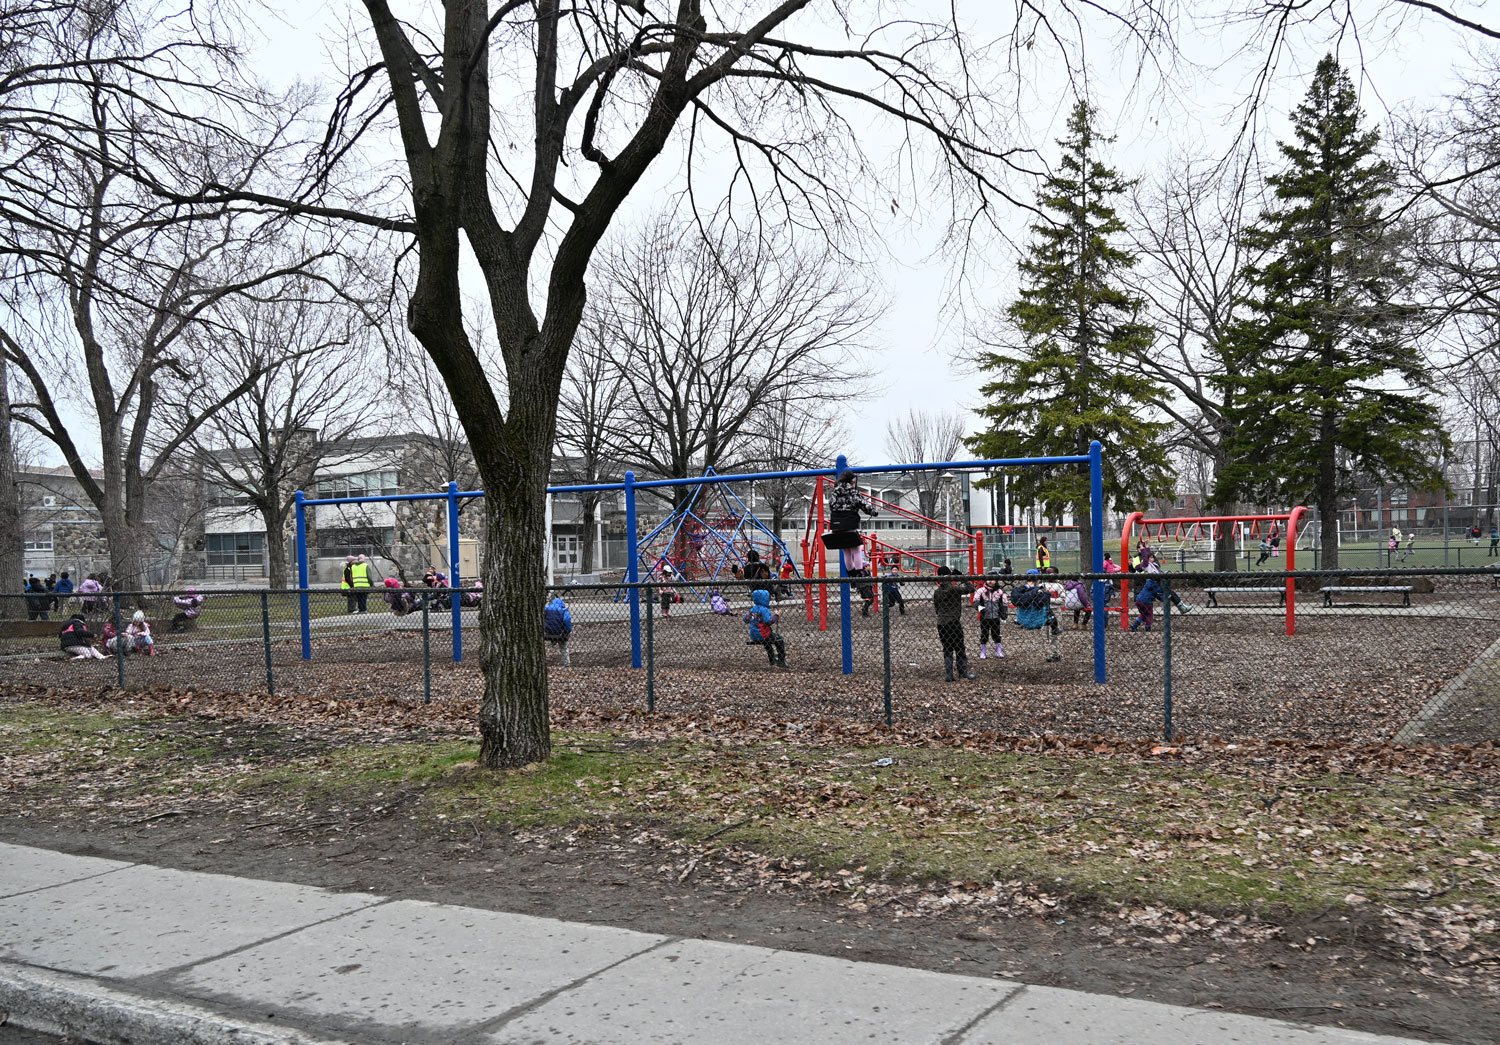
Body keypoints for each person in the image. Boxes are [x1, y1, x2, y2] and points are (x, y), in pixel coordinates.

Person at [823, 471, 877, 574]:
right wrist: (872, 512)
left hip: (836, 524)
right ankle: (859, 572)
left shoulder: (835, 491)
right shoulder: (852, 491)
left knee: (846, 550)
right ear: (851, 480)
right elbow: (861, 503)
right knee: (856, 549)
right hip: (849, 522)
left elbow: (831, 504)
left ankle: (851, 573)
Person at [932, 566, 976, 681]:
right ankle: (963, 672)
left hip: (941, 623)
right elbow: (971, 588)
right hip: (953, 622)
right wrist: (962, 577)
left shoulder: (937, 592)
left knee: (947, 648)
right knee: (960, 647)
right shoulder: (954, 589)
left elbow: (937, 609)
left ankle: (949, 674)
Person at [1009, 570, 1061, 662]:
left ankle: (1055, 652)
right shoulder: (1038, 590)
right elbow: (1039, 602)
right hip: (1037, 614)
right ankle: (1055, 650)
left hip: (1028, 614)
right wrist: (1046, 594)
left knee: (1052, 633)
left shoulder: (1023, 590)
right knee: (1051, 624)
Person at [743, 588, 787, 669]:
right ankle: (781, 660)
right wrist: (776, 616)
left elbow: (745, 619)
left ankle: (772, 660)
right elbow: (768, 622)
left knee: (768, 643)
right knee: (779, 639)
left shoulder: (752, 609)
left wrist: (754, 618)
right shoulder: (765, 610)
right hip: (763, 634)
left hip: (753, 635)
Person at [971, 573, 1006, 659]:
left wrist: (1003, 614)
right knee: (984, 634)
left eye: (993, 579)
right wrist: (981, 610)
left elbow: (1004, 603)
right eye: (989, 579)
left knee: (996, 634)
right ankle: (983, 651)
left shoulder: (1000, 591)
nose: (990, 581)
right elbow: (975, 601)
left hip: (995, 617)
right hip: (984, 617)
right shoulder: (981, 591)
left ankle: (998, 650)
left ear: (996, 581)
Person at [543, 595, 573, 667]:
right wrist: (569, 630)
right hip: (561, 633)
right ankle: (567, 663)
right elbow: (567, 621)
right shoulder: (563, 610)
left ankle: (544, 661)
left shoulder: (546, 609)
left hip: (548, 632)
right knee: (563, 647)